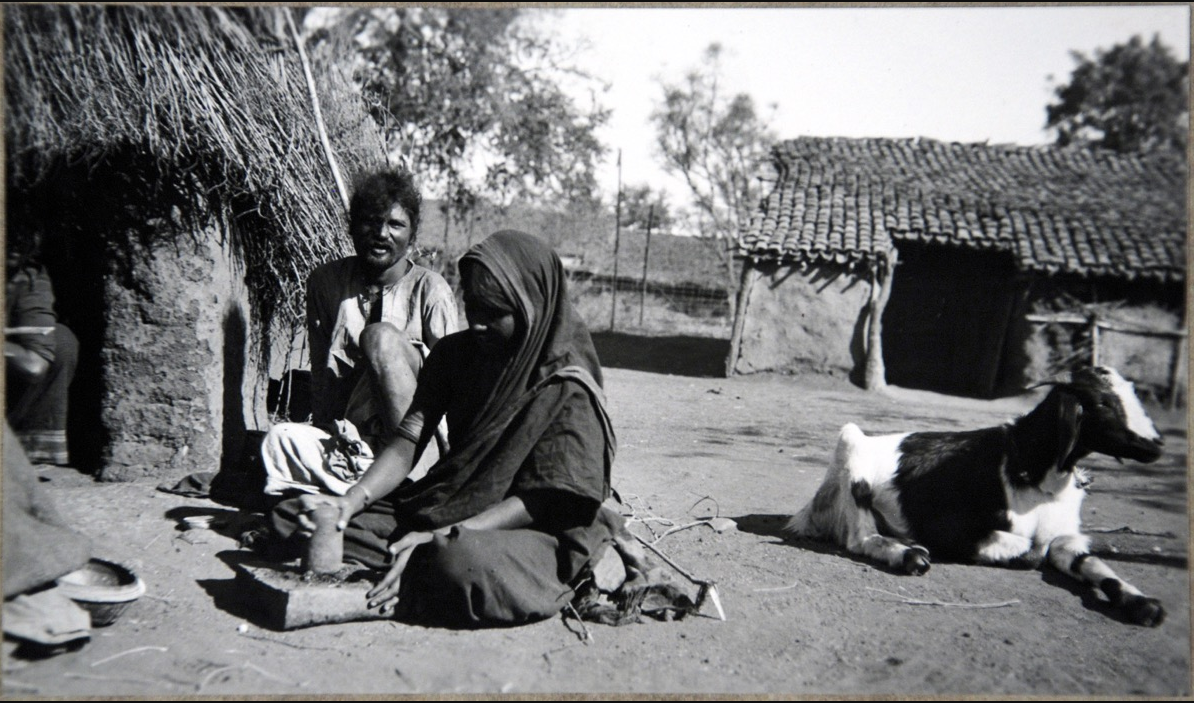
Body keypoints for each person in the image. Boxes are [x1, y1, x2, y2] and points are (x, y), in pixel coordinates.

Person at [270, 230, 623, 626]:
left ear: (531, 307)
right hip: (450, 502)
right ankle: (416, 569)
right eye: (471, 307)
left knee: (458, 563)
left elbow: (544, 500)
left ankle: (420, 576)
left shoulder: (567, 385)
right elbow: (408, 440)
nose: (477, 324)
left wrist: (448, 535)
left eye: (495, 312)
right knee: (297, 517)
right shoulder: (455, 356)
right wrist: (351, 500)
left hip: (526, 528)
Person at [261, 169, 459, 498]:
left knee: (380, 338)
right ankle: (364, 486)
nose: (381, 234)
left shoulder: (430, 290)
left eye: (395, 224)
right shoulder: (326, 283)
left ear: (412, 235)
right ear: (351, 226)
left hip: (416, 446)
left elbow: (453, 388)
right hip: (355, 444)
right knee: (278, 439)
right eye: (369, 221)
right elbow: (324, 376)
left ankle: (403, 484)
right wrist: (327, 435)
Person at [5, 232, 79, 466]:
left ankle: (25, 454)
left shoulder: (29, 277)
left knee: (61, 341)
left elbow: (34, 364)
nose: (16, 239)